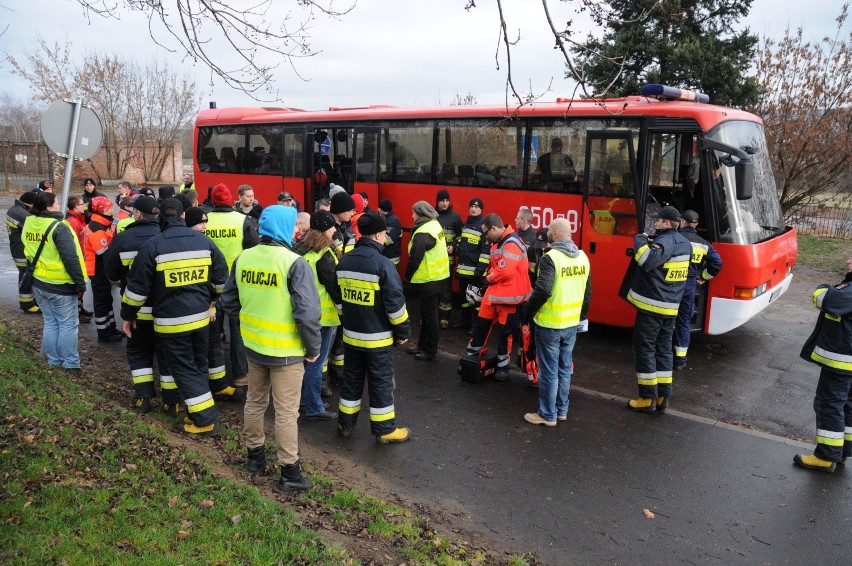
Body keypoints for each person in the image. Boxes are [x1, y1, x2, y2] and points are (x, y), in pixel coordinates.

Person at [222, 205, 321, 491]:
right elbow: (307, 312)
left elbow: (229, 301)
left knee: (254, 402)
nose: (298, 231)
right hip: (286, 352)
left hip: (253, 346)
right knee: (286, 412)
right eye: (293, 226)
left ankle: (255, 458)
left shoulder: (244, 258)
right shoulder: (294, 263)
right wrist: (312, 347)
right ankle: (289, 473)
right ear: (282, 228)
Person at [121, 198, 229, 436]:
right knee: (199, 365)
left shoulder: (153, 246)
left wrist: (127, 316)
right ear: (182, 216)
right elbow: (221, 280)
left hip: (171, 323)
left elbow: (136, 290)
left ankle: (205, 420)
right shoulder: (205, 242)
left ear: (161, 217)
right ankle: (197, 412)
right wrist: (210, 298)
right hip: (200, 319)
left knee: (184, 368)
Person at [335, 213, 412, 443]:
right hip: (378, 340)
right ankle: (385, 430)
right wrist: (403, 333)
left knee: (351, 381)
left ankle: (345, 424)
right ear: (378, 234)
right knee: (380, 383)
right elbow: (395, 306)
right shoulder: (383, 264)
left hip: (351, 337)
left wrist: (348, 321)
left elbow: (339, 302)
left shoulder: (345, 261)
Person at [103, 196, 177, 414]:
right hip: (167, 310)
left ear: (136, 213)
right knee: (167, 354)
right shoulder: (166, 237)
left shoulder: (124, 238)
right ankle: (171, 401)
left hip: (136, 311)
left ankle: (143, 397)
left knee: (139, 352)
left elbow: (111, 273)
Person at [520, 218, 591, 426]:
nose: (548, 231)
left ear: (558, 234)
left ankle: (547, 414)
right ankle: (561, 410)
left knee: (549, 371)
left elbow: (542, 290)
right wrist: (581, 317)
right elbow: (588, 293)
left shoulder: (552, 258)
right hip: (571, 324)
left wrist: (528, 313)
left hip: (550, 325)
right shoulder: (583, 257)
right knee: (564, 369)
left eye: (551, 229)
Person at [625, 206, 692, 413]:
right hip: (671, 308)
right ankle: (663, 397)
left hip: (652, 307)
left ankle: (646, 399)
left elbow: (646, 260)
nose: (656, 223)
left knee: (645, 349)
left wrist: (640, 240)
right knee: (663, 350)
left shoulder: (666, 241)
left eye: (659, 220)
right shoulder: (685, 243)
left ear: (666, 223)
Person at [793, 255, 852, 473]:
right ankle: (842, 450)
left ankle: (826, 456)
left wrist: (825, 287)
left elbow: (824, 299)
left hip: (842, 362)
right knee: (846, 404)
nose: (847, 260)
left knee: (829, 404)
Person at [22, 192, 88, 372]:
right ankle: (70, 364)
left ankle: (54, 361)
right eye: (57, 203)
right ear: (49, 207)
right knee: (67, 324)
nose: (60, 205)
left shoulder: (29, 222)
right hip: (60, 284)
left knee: (51, 323)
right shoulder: (58, 227)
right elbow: (70, 258)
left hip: (38, 282)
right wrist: (80, 283)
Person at [206, 183, 260, 394]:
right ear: (231, 199)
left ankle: (216, 377)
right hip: (237, 284)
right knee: (237, 331)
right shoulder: (241, 220)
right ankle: (240, 375)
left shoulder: (205, 220)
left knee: (214, 332)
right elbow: (254, 250)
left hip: (210, 284)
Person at [466, 213, 532, 380]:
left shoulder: (512, 242)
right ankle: (472, 356)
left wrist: (487, 279)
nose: (486, 236)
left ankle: (503, 368)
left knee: (505, 333)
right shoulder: (499, 242)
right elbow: (496, 267)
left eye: (487, 232)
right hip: (496, 293)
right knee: (481, 324)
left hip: (510, 297)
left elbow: (504, 270)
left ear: (493, 228)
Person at [294, 210, 342, 420]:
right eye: (332, 226)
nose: (334, 230)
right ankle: (314, 407)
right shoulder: (326, 254)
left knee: (306, 360)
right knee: (316, 362)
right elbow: (334, 287)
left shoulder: (301, 248)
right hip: (323, 317)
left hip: (303, 313)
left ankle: (304, 399)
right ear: (325, 228)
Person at [673, 210, 723, 370]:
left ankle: (663, 356)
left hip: (671, 284)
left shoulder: (673, 238)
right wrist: (703, 277)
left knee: (664, 320)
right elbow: (717, 263)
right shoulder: (703, 244)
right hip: (689, 286)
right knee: (683, 322)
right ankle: (680, 360)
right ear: (696, 225)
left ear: (683, 222)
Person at [405, 201, 450, 361]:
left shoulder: (423, 232)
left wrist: (407, 276)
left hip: (428, 280)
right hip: (438, 277)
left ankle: (430, 351)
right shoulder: (434, 224)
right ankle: (422, 346)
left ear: (420, 213)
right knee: (427, 315)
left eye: (413, 212)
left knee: (430, 317)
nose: (411, 215)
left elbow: (415, 258)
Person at [83, 196, 124, 343]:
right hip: (98, 270)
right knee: (101, 301)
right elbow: (103, 253)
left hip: (100, 269)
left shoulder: (101, 225)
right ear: (101, 210)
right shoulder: (96, 228)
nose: (112, 210)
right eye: (109, 208)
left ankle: (110, 328)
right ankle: (103, 332)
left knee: (107, 299)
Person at [454, 197, 489, 330]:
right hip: (463, 270)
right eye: (471, 207)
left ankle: (476, 327)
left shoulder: (484, 225)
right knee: (464, 300)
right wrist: (456, 248)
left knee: (475, 300)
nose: (473, 209)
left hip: (475, 272)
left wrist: (479, 271)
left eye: (476, 207)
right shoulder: (467, 222)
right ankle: (465, 322)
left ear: (481, 209)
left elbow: (486, 252)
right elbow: (462, 242)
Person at [7, 191, 41, 313]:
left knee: (27, 275)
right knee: (26, 276)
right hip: (22, 251)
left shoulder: (15, 210)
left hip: (20, 249)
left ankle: (30, 300)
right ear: (30, 203)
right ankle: (26, 304)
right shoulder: (21, 214)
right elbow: (36, 226)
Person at [435, 189, 462, 328]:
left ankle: (444, 318)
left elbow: (460, 236)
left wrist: (453, 246)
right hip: (433, 260)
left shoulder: (455, 218)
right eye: (442, 200)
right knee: (432, 289)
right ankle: (432, 316)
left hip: (448, 261)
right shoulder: (432, 217)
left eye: (447, 200)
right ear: (437, 201)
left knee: (446, 289)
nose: (445, 203)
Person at [65, 195, 93, 322]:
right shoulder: (73, 222)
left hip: (82, 257)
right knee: (78, 287)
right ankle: (76, 313)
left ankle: (80, 309)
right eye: (82, 204)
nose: (84, 206)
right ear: (76, 206)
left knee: (80, 289)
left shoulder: (79, 219)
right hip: (77, 258)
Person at [377, 199, 402, 265]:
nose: (378, 209)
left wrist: (377, 232)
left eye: (379, 208)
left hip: (391, 258)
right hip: (386, 256)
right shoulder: (386, 219)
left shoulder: (393, 221)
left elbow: (389, 241)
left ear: (383, 209)